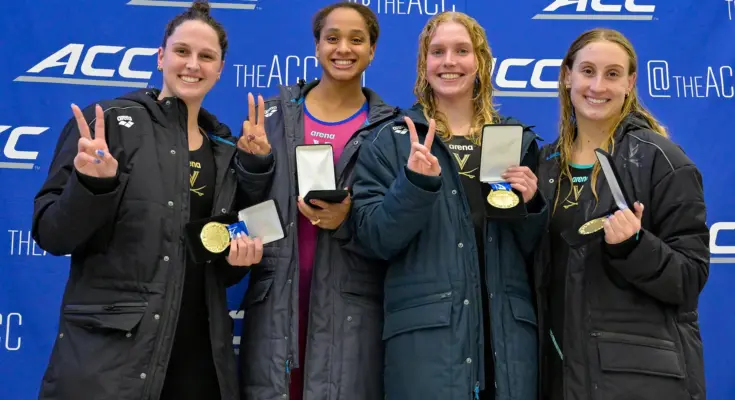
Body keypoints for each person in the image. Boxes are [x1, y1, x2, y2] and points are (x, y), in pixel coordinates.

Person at [31, 2, 273, 399]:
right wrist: (92, 186)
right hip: (111, 366)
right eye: (182, 51)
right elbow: (52, 235)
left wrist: (238, 259)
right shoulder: (107, 125)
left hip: (199, 365)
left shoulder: (224, 149)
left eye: (206, 56)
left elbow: (216, 266)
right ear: (161, 57)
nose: (192, 64)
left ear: (220, 69)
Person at [349, 11, 545, 400]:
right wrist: (414, 185)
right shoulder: (391, 140)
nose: (449, 62)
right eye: (437, 52)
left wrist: (532, 205)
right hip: (428, 352)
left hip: (507, 352)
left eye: (461, 51)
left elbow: (537, 254)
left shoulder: (516, 140)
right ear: (424, 64)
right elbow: (373, 238)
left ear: (481, 62)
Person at [535, 28, 709, 400]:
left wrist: (634, 246)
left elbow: (690, 277)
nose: (598, 86)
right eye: (587, 71)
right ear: (567, 76)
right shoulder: (544, 166)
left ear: (629, 83)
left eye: (612, 74)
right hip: (560, 377)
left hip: (637, 381)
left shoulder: (662, 160)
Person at [235, 2, 397, 399]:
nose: (343, 48)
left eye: (356, 39)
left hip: (351, 310)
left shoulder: (390, 128)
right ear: (317, 46)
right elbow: (242, 207)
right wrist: (254, 165)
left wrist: (348, 219)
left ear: (372, 50)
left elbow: (394, 227)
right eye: (332, 38)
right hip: (277, 305)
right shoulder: (272, 117)